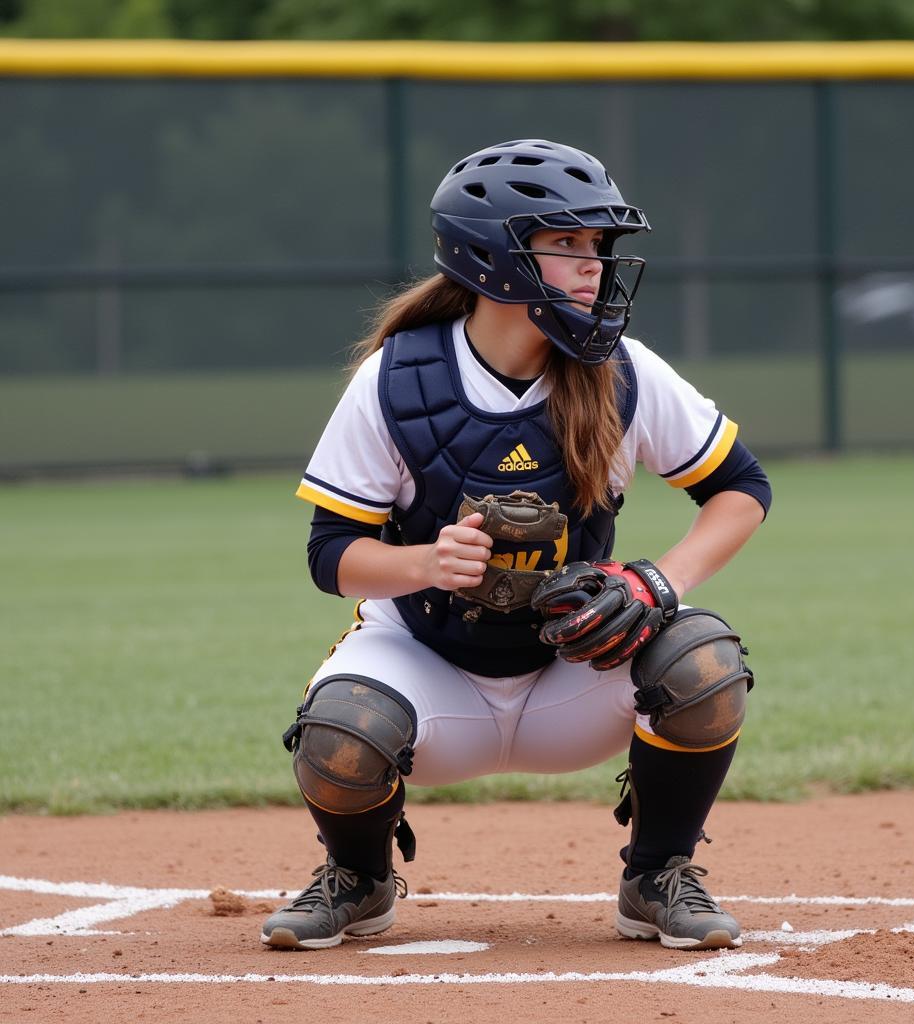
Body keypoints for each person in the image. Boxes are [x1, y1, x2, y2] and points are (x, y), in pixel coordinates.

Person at [261, 139, 771, 953]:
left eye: (599, 245)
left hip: (572, 668)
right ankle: (358, 879)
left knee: (700, 658)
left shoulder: (624, 371)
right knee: (341, 730)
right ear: (493, 255)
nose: (594, 265)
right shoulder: (397, 378)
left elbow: (742, 491)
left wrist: (656, 585)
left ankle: (656, 877)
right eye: (566, 243)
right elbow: (332, 553)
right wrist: (423, 563)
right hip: (429, 665)